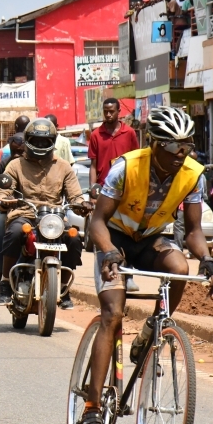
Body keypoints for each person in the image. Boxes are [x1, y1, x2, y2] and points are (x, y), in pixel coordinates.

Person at [79, 106, 213, 424]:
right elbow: (97, 221)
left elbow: (191, 231)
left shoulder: (193, 175)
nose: (181, 154)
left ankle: (152, 328)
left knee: (180, 268)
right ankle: (92, 407)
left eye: (187, 145)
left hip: (153, 238)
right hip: (113, 239)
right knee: (112, 315)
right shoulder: (125, 168)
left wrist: (207, 258)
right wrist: (109, 251)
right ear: (154, 144)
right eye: (172, 146)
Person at [0, 119, 91, 309]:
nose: (40, 145)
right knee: (14, 232)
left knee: (73, 238)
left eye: (45, 141)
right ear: (28, 140)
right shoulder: (15, 165)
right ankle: (5, 282)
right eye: (36, 141)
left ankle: (63, 288)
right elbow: (3, 192)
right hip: (25, 214)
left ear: (52, 142)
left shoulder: (64, 167)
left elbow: (75, 196)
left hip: (54, 218)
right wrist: (4, 199)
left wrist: (83, 205)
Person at [88, 98, 141, 292]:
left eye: (112, 111)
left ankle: (129, 275)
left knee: (128, 232)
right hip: (104, 192)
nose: (108, 114)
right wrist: (93, 190)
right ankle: (107, 274)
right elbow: (94, 164)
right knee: (105, 233)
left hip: (127, 192)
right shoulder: (96, 134)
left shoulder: (130, 133)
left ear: (119, 111)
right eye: (105, 111)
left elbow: (137, 162)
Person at [0, 132, 26, 298]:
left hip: (31, 210)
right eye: (14, 152)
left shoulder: (36, 164)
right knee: (0, 225)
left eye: (20, 152)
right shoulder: (4, 166)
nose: (17, 156)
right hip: (8, 211)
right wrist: (2, 202)